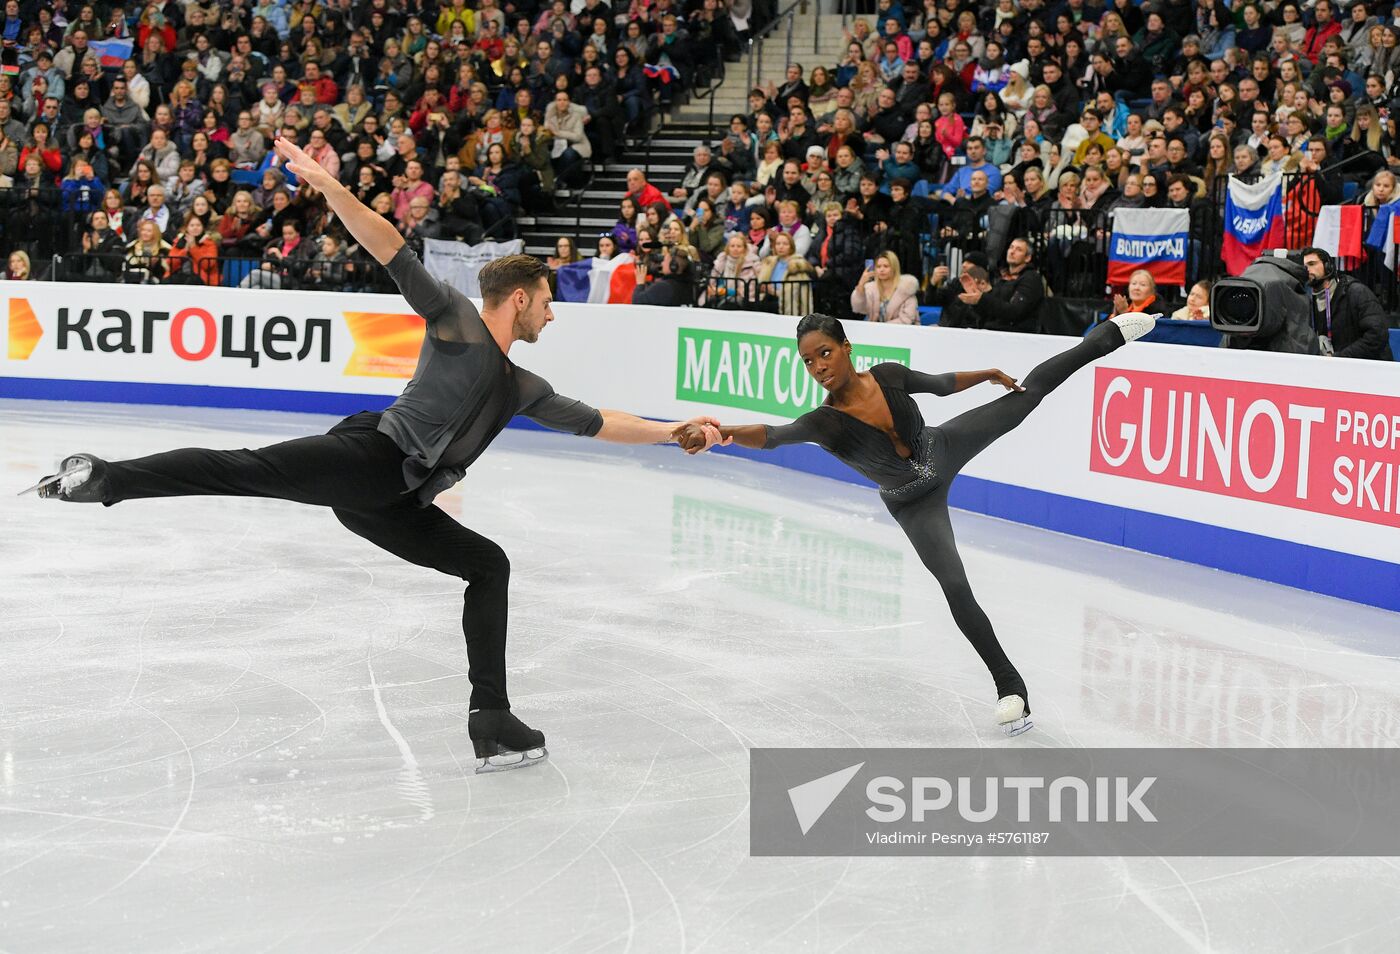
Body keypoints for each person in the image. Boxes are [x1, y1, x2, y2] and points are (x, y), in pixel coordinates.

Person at [26, 136, 727, 775]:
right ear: (519, 298)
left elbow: (601, 421)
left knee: (488, 564)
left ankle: (492, 719)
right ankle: (107, 478)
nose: (552, 313)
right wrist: (330, 188)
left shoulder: (523, 387)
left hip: (395, 503)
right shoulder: (456, 322)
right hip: (371, 457)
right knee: (248, 468)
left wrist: (671, 431)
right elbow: (392, 247)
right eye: (546, 303)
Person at [675, 310, 1158, 735]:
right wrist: (722, 432)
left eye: (824, 353)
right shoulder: (824, 422)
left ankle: (1107, 336)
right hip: (912, 503)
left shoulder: (887, 374)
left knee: (1028, 395)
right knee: (956, 586)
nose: (818, 367)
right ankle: (1011, 687)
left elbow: (940, 383)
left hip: (943, 448)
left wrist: (984, 374)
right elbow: (777, 434)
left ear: (846, 347)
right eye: (807, 361)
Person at [1302, 247, 1394, 359]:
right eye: (1305, 266)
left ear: (1328, 266)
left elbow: (1377, 336)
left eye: (1312, 264)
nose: (1307, 269)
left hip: (1369, 368)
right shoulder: (1308, 299)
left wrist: (1340, 358)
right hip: (1334, 369)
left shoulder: (1357, 292)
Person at [850, 250, 919, 324]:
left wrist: (882, 329)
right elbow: (858, 308)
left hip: (903, 332)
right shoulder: (871, 288)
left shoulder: (907, 288)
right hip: (875, 332)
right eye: (878, 266)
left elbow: (907, 319)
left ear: (894, 268)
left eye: (886, 266)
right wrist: (861, 284)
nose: (881, 270)